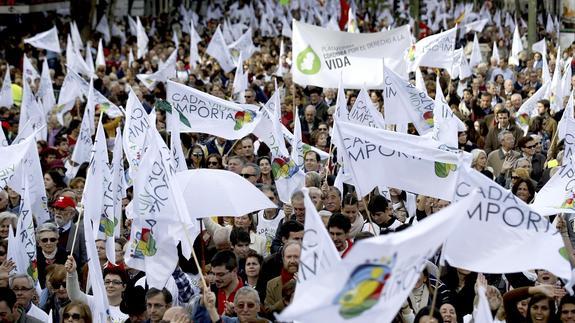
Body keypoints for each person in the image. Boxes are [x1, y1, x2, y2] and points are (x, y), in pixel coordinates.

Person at [65, 256, 129, 323]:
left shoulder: (130, 309)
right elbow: (75, 296)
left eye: (116, 282)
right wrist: (71, 273)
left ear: (124, 286)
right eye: (107, 282)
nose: (110, 285)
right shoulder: (95, 302)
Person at [195, 286, 271, 323]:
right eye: (241, 305)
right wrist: (203, 302)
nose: (245, 309)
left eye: (250, 305)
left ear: (258, 308)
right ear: (235, 308)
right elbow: (201, 319)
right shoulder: (227, 321)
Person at [264, 241, 300, 313]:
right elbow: (268, 311)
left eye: (296, 257)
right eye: (289, 257)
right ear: (283, 259)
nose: (292, 261)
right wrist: (284, 301)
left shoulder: (312, 281)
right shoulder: (271, 284)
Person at [52, 196, 87, 269]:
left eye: (62, 209)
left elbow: (84, 259)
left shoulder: (80, 233)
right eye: (56, 208)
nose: (58, 212)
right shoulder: (46, 228)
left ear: (72, 213)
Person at [209, 250, 244, 316]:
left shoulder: (248, 294)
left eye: (221, 274)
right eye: (213, 274)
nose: (216, 278)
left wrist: (236, 315)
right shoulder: (211, 291)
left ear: (234, 271)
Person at [36, 222, 68, 288]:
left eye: (52, 239)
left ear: (57, 240)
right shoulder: (33, 258)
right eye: (44, 240)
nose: (49, 243)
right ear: (39, 242)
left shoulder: (68, 256)